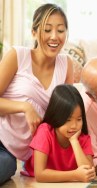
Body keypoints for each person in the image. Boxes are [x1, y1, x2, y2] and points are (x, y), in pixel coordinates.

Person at [0, 3, 73, 185]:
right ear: (34, 33)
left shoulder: (66, 65)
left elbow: (66, 116)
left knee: (6, 165)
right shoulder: (18, 56)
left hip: (18, 155)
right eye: (47, 30)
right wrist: (25, 107)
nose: (54, 37)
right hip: (1, 137)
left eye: (61, 30)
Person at [22, 84, 95, 182]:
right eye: (68, 120)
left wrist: (74, 141)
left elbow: (88, 172)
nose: (74, 126)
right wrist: (74, 175)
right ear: (56, 116)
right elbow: (40, 175)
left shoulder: (83, 138)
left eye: (79, 119)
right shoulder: (44, 131)